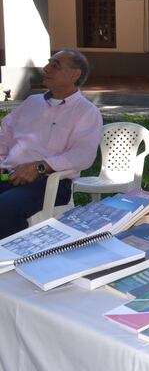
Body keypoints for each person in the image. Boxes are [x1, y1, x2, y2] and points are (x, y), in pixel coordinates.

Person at [0, 50, 102, 238]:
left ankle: (9, 261)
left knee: (5, 208)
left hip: (49, 183)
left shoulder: (86, 112)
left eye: (55, 65)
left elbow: (82, 156)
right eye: (48, 63)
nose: (46, 69)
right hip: (8, 175)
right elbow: (4, 134)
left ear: (75, 74)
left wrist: (39, 167)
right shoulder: (32, 102)